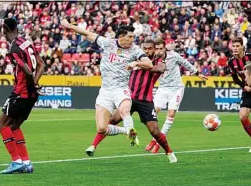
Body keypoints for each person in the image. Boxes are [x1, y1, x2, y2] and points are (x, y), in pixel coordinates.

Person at [60, 19, 153, 152]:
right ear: (121, 37)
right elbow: (87, 33)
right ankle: (126, 131)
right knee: (102, 128)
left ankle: (130, 129)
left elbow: (149, 64)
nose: (133, 39)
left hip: (121, 89)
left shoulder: (135, 50)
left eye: (134, 37)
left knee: (125, 111)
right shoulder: (108, 43)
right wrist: (69, 26)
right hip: (105, 91)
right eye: (130, 37)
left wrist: (136, 63)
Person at [91, 38, 177, 163]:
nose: (147, 51)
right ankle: (93, 146)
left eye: (150, 48)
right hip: (128, 98)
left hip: (146, 101)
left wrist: (137, 64)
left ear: (154, 49)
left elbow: (158, 69)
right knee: (109, 122)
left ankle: (169, 152)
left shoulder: (159, 62)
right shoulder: (133, 57)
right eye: (145, 48)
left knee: (155, 131)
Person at [0, 18, 45, 174]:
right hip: (31, 94)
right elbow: (42, 64)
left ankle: (16, 161)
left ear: (4, 29)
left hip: (21, 92)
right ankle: (26, 162)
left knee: (1, 124)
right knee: (14, 126)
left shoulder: (14, 48)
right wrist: (36, 83)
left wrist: (32, 83)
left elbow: (27, 70)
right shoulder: (26, 41)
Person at [145, 38, 207, 153]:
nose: (158, 51)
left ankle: (158, 141)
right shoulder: (152, 59)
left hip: (176, 89)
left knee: (171, 113)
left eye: (160, 48)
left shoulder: (173, 56)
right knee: (153, 113)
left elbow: (186, 63)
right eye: (156, 49)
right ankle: (156, 139)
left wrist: (197, 73)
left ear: (165, 48)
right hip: (162, 89)